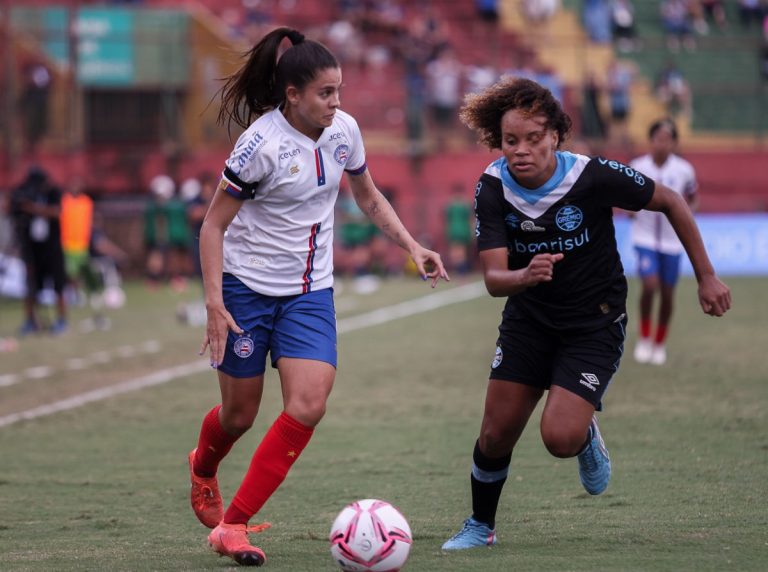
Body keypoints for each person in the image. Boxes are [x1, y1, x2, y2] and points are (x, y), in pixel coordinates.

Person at [190, 27, 449, 567]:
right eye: (326, 93)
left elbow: (368, 196)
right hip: (244, 289)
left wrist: (412, 245)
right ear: (293, 95)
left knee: (308, 404)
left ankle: (231, 526)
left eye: (340, 91)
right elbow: (212, 226)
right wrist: (215, 303)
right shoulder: (258, 145)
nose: (337, 103)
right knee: (238, 417)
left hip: (309, 293)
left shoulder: (345, 131)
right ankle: (204, 466)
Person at [440, 77, 731, 550]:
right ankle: (480, 525)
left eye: (534, 139)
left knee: (559, 437)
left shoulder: (591, 176)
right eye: (511, 140)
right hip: (529, 321)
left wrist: (707, 277)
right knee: (494, 435)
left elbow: (671, 201)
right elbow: (495, 280)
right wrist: (526, 276)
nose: (521, 150)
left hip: (593, 324)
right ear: (499, 140)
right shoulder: (492, 187)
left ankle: (585, 433)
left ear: (555, 135)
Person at [629, 119, 699, 365]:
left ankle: (659, 343)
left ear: (674, 143)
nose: (662, 143)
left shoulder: (684, 170)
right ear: (651, 141)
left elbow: (691, 199)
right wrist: (630, 210)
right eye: (658, 138)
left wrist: (686, 217)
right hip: (644, 238)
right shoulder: (637, 167)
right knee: (650, 286)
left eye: (668, 139)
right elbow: (627, 198)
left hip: (672, 242)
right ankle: (645, 338)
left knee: (668, 294)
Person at [9, 166, 68, 335]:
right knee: (31, 286)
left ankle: (61, 320)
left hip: (52, 248)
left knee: (58, 285)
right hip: (32, 249)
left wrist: (33, 208)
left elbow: (57, 212)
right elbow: (11, 211)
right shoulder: (23, 193)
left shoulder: (53, 193)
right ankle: (30, 320)